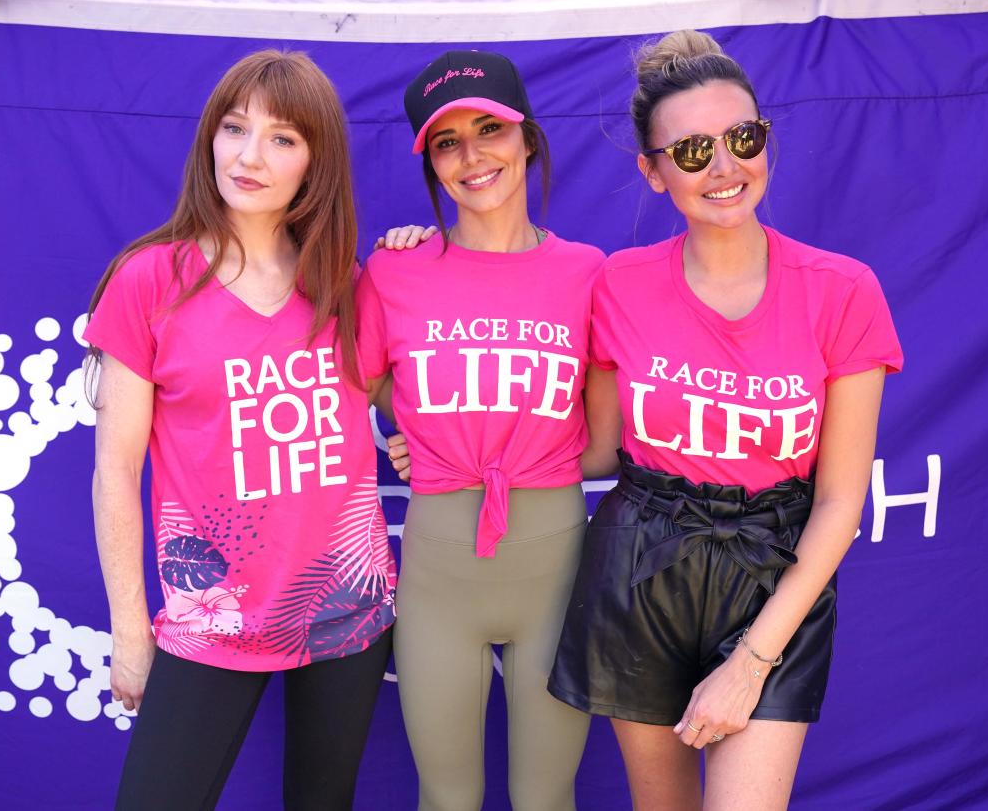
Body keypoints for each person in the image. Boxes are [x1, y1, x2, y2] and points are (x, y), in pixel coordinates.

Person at [547, 30, 904, 810]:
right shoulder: (619, 283)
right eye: (691, 150)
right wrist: (455, 438)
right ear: (653, 171)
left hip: (773, 571)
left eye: (742, 138)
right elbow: (597, 449)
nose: (724, 167)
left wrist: (752, 660)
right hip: (640, 566)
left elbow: (842, 500)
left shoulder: (843, 291)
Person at [84, 49, 396, 811]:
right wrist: (132, 632)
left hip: (345, 607)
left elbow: (413, 409)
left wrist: (412, 257)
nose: (250, 155)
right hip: (210, 618)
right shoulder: (150, 280)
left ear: (314, 162)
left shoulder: (347, 286)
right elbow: (115, 472)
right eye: (234, 128)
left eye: (283, 138)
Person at [355, 50, 606, 810]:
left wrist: (506, 446)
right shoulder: (394, 272)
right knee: (447, 797)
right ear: (431, 163)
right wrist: (424, 436)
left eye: (489, 129)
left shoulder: (590, 272)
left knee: (545, 797)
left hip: (555, 569)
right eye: (447, 141)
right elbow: (358, 389)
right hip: (440, 578)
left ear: (527, 138)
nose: (473, 155)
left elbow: (602, 440)